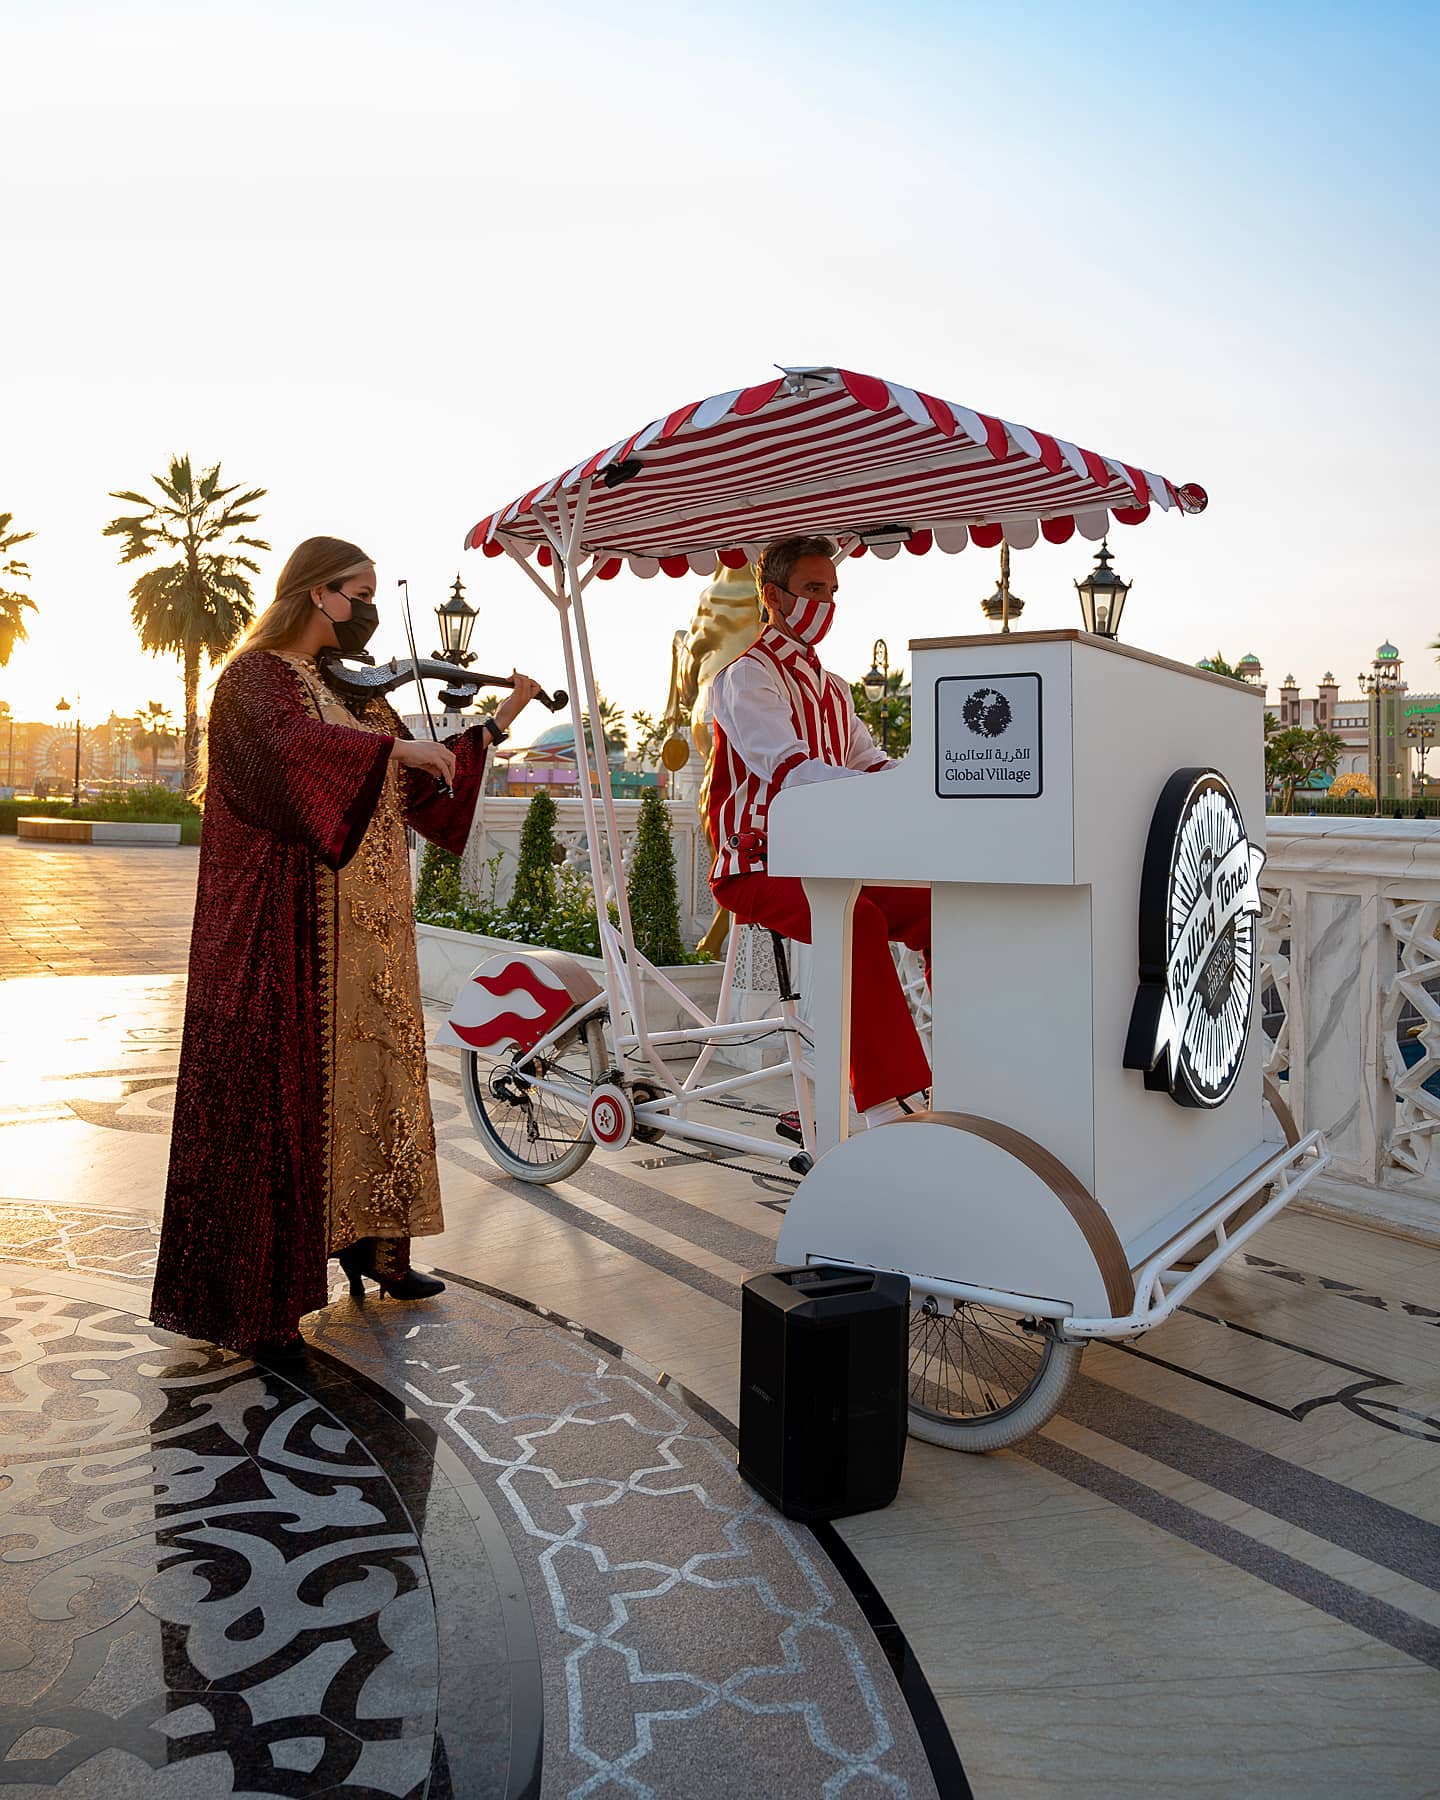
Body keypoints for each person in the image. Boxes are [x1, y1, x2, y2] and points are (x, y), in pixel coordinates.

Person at [150, 537, 541, 1360]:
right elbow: (283, 759)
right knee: (281, 1092)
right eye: (359, 593)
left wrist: (497, 721)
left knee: (376, 1088)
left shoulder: (353, 692)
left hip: (371, 934)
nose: (367, 609)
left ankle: (376, 1250)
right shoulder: (254, 679)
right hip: (289, 925)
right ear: (317, 593)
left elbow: (421, 790)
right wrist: (390, 747)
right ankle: (259, 1299)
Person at [708, 534, 931, 1137]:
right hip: (758, 864)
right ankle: (885, 1104)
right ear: (773, 596)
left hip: (829, 863)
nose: (825, 604)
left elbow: (868, 762)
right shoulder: (746, 676)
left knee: (941, 905)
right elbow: (790, 770)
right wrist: (885, 792)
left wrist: (926, 784)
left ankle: (971, 1061)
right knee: (855, 918)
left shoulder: (834, 688)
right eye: (813, 589)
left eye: (831, 591)